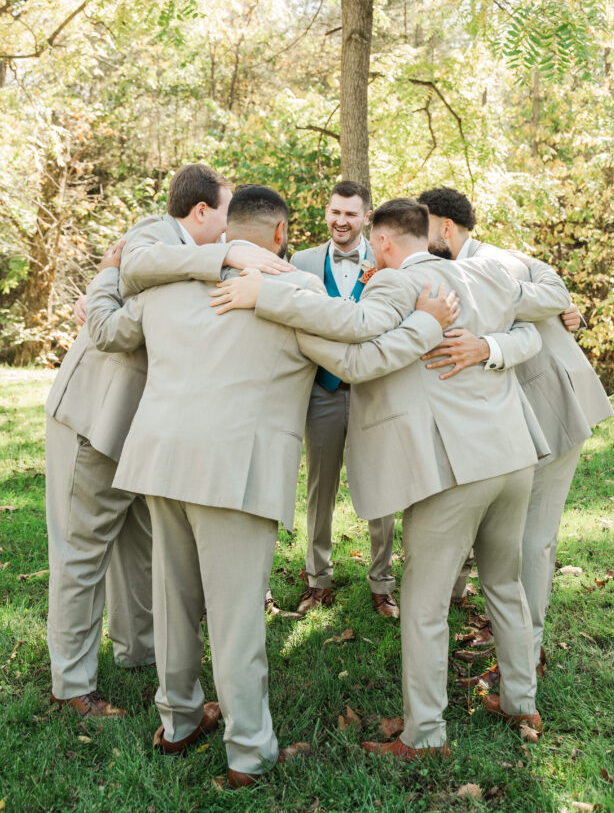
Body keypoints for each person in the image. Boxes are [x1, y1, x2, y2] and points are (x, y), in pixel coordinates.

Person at [84, 186, 455, 787]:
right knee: (235, 621)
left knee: (174, 601)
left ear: (230, 231)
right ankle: (249, 753)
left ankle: (178, 721)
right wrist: (426, 324)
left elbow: (105, 328)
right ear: (282, 236)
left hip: (157, 459)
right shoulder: (295, 294)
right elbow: (360, 362)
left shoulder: (167, 287)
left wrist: (106, 272)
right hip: (236, 469)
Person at [211, 198, 575, 752]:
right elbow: (532, 331)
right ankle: (521, 703)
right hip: (513, 456)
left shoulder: (395, 284)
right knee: (505, 584)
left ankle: (424, 733)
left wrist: (269, 298)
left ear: (381, 241)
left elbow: (356, 330)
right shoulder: (484, 276)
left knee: (424, 604)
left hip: (454, 469)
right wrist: (490, 349)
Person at [44, 163, 286, 717]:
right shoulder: (157, 233)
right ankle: (71, 684)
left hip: (144, 433)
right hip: (94, 416)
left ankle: (139, 651)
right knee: (82, 552)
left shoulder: (195, 264)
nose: (232, 234)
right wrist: (224, 256)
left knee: (138, 545)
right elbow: (132, 263)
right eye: (226, 219)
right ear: (200, 212)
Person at [417, 186, 613, 677]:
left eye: (423, 227)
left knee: (533, 537)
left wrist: (491, 317)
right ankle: (504, 631)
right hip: (509, 417)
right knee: (504, 528)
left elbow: (556, 294)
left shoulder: (498, 264)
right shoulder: (446, 268)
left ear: (445, 227)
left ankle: (527, 654)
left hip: (552, 403)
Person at [289, 181, 397, 617]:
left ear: (367, 218)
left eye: (351, 214)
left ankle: (382, 581)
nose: (340, 221)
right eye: (335, 211)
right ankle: (317, 578)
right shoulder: (302, 262)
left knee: (383, 487)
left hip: (374, 392)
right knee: (320, 487)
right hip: (322, 392)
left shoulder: (387, 261)